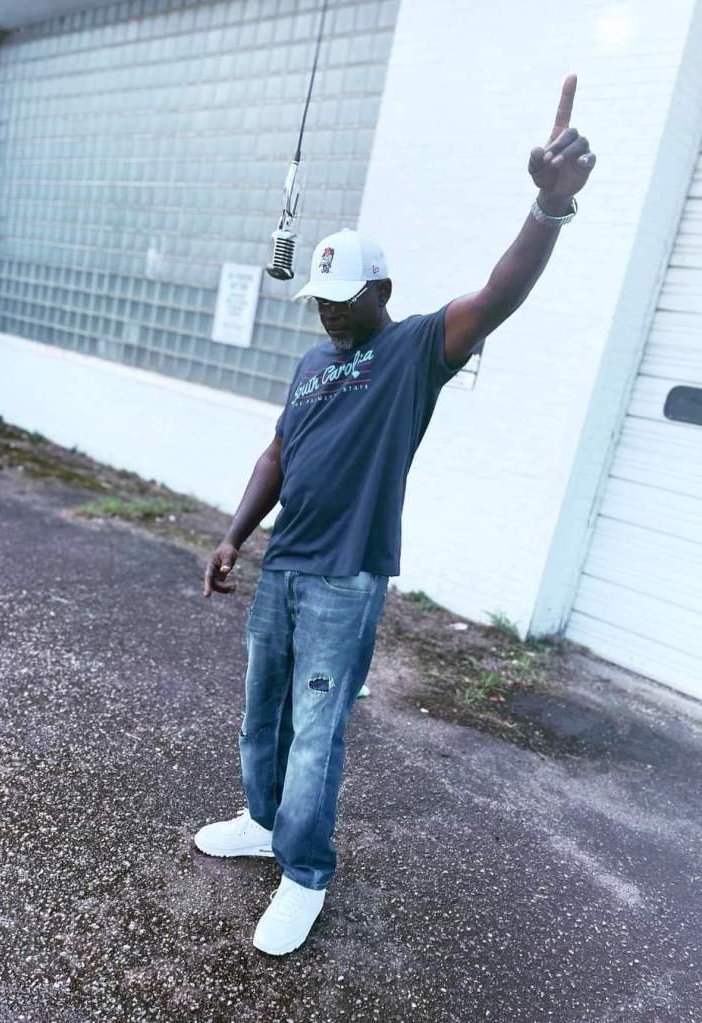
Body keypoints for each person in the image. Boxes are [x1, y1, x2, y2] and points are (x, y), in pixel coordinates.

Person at [196, 74, 596, 956]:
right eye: (321, 302)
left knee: (315, 734)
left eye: (342, 300)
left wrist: (547, 208)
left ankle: (304, 870)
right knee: (260, 714)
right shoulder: (311, 365)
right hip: (283, 566)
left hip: (344, 576)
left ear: (380, 289)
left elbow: (497, 295)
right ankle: (263, 822)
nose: (329, 313)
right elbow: (275, 456)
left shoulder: (414, 348)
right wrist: (233, 536)